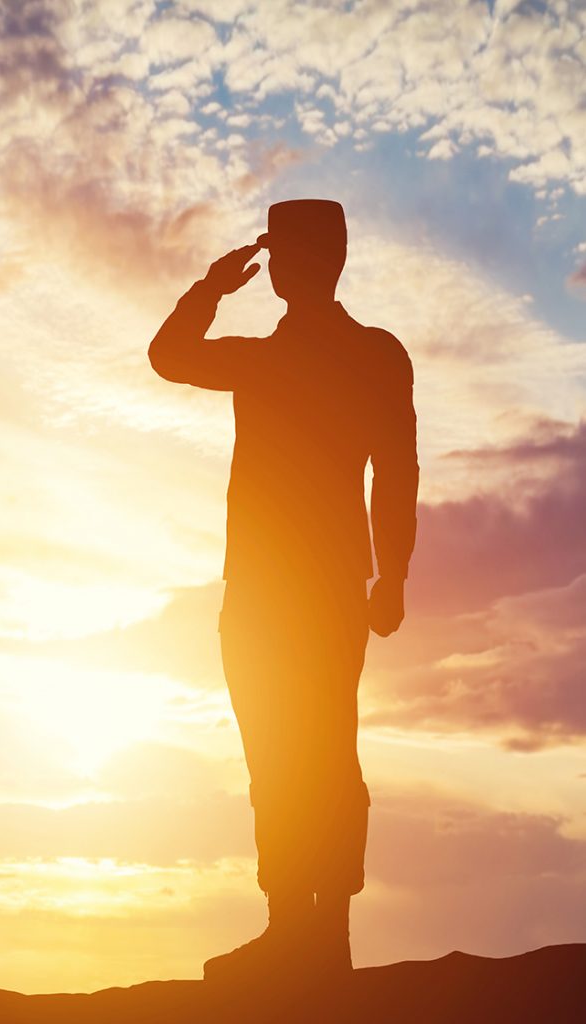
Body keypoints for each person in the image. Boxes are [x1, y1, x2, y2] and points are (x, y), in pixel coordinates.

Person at [148, 199, 419, 993]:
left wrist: (393, 570)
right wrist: (391, 572)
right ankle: (295, 929)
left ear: (313, 261)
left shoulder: (329, 357)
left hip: (302, 592)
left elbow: (396, 470)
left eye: (293, 253)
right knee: (291, 753)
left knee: (308, 754)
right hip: (282, 592)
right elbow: (168, 358)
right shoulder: (311, 356)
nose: (293, 268)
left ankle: (314, 933)